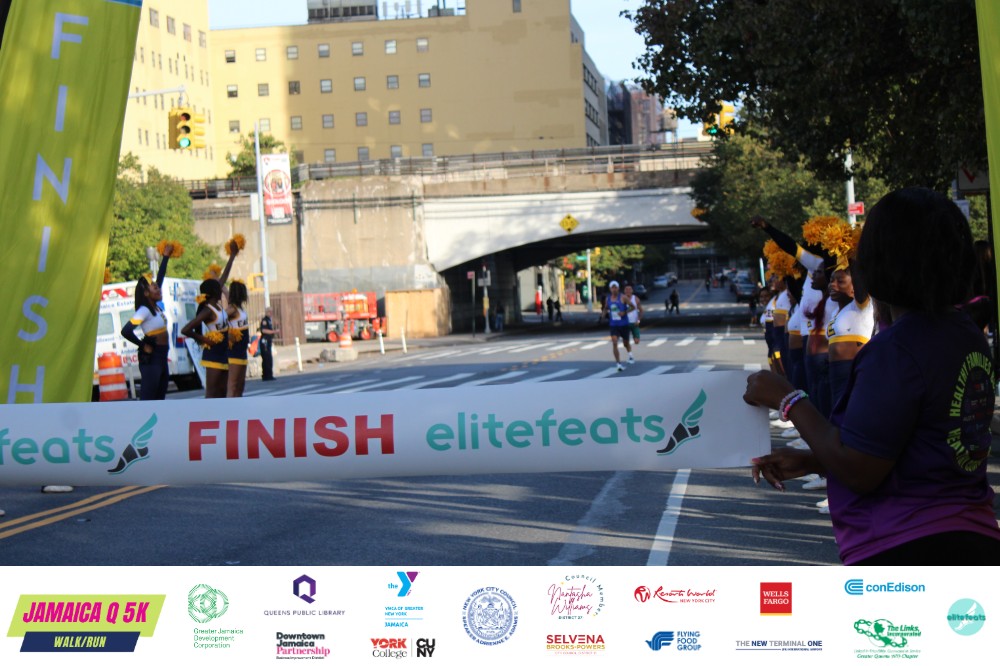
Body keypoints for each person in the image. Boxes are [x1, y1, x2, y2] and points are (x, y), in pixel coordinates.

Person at [746, 187, 1000, 565]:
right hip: (971, 537)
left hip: (908, 547)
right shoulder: (965, 335)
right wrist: (815, 460)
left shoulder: (897, 350)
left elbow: (859, 471)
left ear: (883, 262)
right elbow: (910, 450)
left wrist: (788, 399)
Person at [120, 242, 174, 400]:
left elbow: (160, 278)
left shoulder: (155, 307)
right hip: (153, 358)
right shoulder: (144, 311)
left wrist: (165, 257)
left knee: (160, 396)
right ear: (146, 293)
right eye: (155, 288)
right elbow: (126, 331)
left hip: (162, 356)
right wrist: (143, 345)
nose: (158, 289)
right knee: (149, 398)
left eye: (158, 287)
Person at [600, 280, 634, 371]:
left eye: (615, 287)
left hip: (624, 324)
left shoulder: (623, 297)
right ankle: (618, 364)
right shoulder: (608, 299)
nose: (614, 289)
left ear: (618, 288)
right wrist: (603, 315)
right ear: (610, 289)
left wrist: (624, 312)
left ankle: (630, 354)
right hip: (613, 324)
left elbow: (633, 307)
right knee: (614, 342)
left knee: (625, 343)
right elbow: (606, 308)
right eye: (612, 288)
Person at [226, 279, 250, 397]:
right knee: (233, 385)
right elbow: (219, 319)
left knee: (240, 386)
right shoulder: (232, 309)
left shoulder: (239, 308)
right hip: (234, 352)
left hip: (242, 351)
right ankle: (230, 406)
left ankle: (238, 405)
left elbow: (224, 290)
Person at [259, 307, 278, 380]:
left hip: (268, 341)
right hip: (265, 341)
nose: (271, 313)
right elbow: (263, 330)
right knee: (266, 358)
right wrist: (274, 332)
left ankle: (269, 374)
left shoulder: (269, 320)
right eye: (270, 312)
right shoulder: (265, 320)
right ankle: (266, 375)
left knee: (269, 358)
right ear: (267, 312)